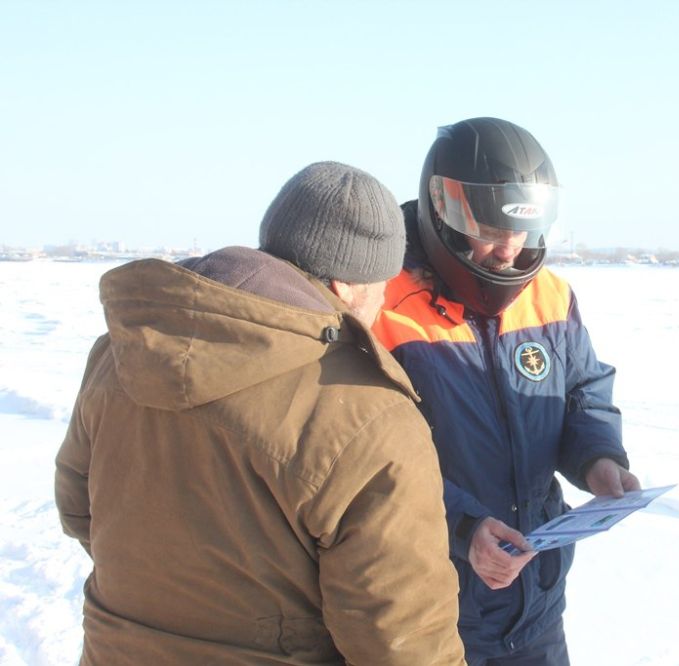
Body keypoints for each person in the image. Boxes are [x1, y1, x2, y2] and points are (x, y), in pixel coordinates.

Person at [54, 162, 466, 665]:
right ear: (346, 287)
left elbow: (78, 508)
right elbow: (403, 639)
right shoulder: (368, 416)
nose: (382, 307)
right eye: (382, 286)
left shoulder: (124, 353)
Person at [371, 117, 639, 665]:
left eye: (518, 239)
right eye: (492, 236)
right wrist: (463, 527)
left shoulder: (549, 295)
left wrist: (599, 457)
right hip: (432, 612)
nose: (507, 255)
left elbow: (582, 390)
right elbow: (372, 462)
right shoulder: (381, 305)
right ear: (442, 216)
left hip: (535, 603)